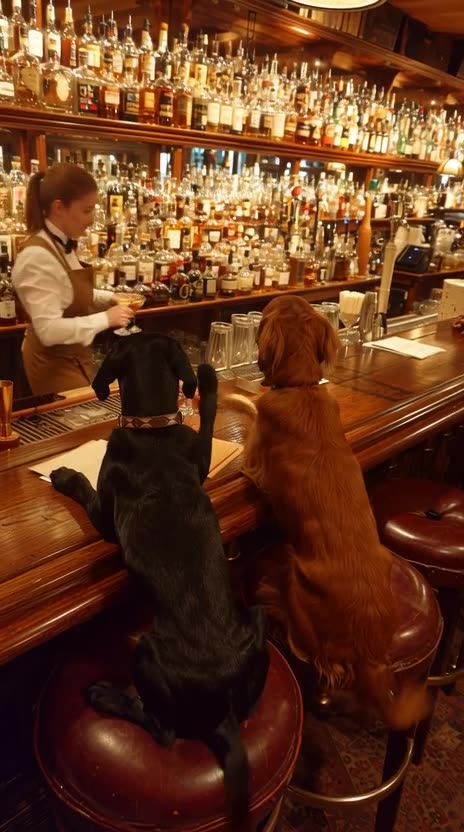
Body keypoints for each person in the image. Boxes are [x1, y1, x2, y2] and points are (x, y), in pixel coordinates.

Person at [12, 163, 133, 395]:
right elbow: (48, 330)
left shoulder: (61, 244)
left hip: (73, 358)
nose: (92, 219)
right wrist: (106, 319)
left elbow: (69, 293)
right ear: (59, 207)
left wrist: (111, 298)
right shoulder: (37, 256)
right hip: (51, 365)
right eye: (86, 211)